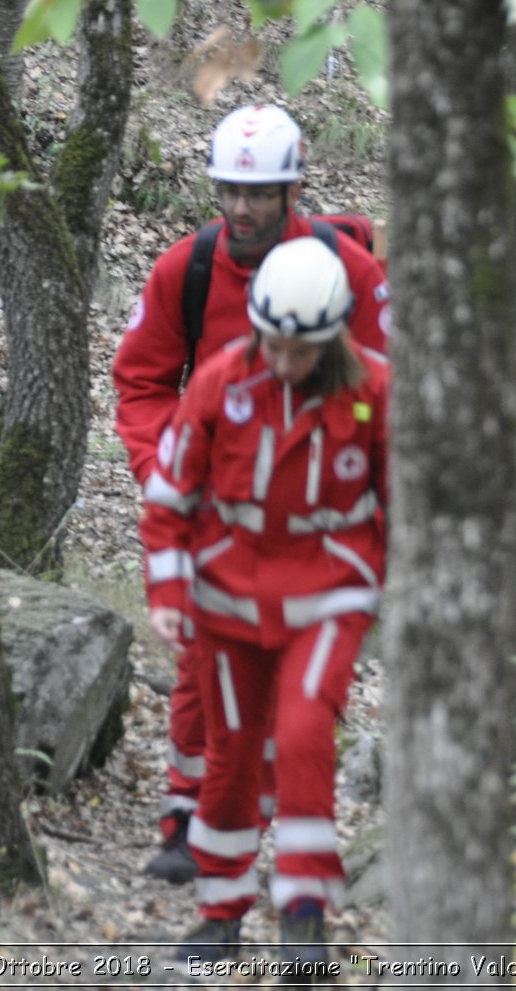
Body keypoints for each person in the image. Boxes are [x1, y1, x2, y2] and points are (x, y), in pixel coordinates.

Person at [112, 103, 389, 885]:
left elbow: (382, 394)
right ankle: (185, 815)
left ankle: (263, 826)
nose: (243, 207)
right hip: (215, 504)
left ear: (291, 189)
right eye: (230, 189)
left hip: (315, 520)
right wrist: (173, 470)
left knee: (290, 697)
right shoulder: (187, 270)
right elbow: (140, 381)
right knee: (204, 663)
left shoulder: (349, 274)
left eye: (261, 193)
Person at [142, 237, 389, 970]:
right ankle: (220, 913)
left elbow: (402, 496)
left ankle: (304, 917)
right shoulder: (222, 381)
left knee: (307, 731)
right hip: (228, 594)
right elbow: (171, 493)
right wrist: (167, 589)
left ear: (334, 336)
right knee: (234, 754)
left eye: (302, 350)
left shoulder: (375, 390)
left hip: (329, 586)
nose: (285, 363)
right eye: (275, 345)